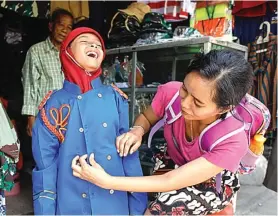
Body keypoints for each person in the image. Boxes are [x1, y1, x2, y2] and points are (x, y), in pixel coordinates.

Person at [71, 50, 262, 215]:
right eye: (185, 89)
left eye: (197, 103)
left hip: (213, 179)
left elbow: (169, 180)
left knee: (164, 205)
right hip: (175, 160)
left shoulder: (233, 139)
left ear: (223, 109)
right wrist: (137, 131)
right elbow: (145, 118)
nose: (185, 104)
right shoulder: (170, 94)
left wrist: (107, 181)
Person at [32, 27, 147, 215]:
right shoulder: (53, 104)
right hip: (71, 203)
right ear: (67, 51)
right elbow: (46, 167)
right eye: (84, 41)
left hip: (113, 202)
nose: (94, 45)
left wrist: (138, 209)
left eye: (98, 44)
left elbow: (128, 154)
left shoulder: (115, 98)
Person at [21, 8, 74, 137]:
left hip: (70, 118)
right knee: (45, 155)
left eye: (69, 27)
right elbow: (30, 86)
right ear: (51, 26)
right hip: (45, 118)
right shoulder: (36, 51)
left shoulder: (72, 54)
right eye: (61, 25)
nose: (64, 30)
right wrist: (31, 118)